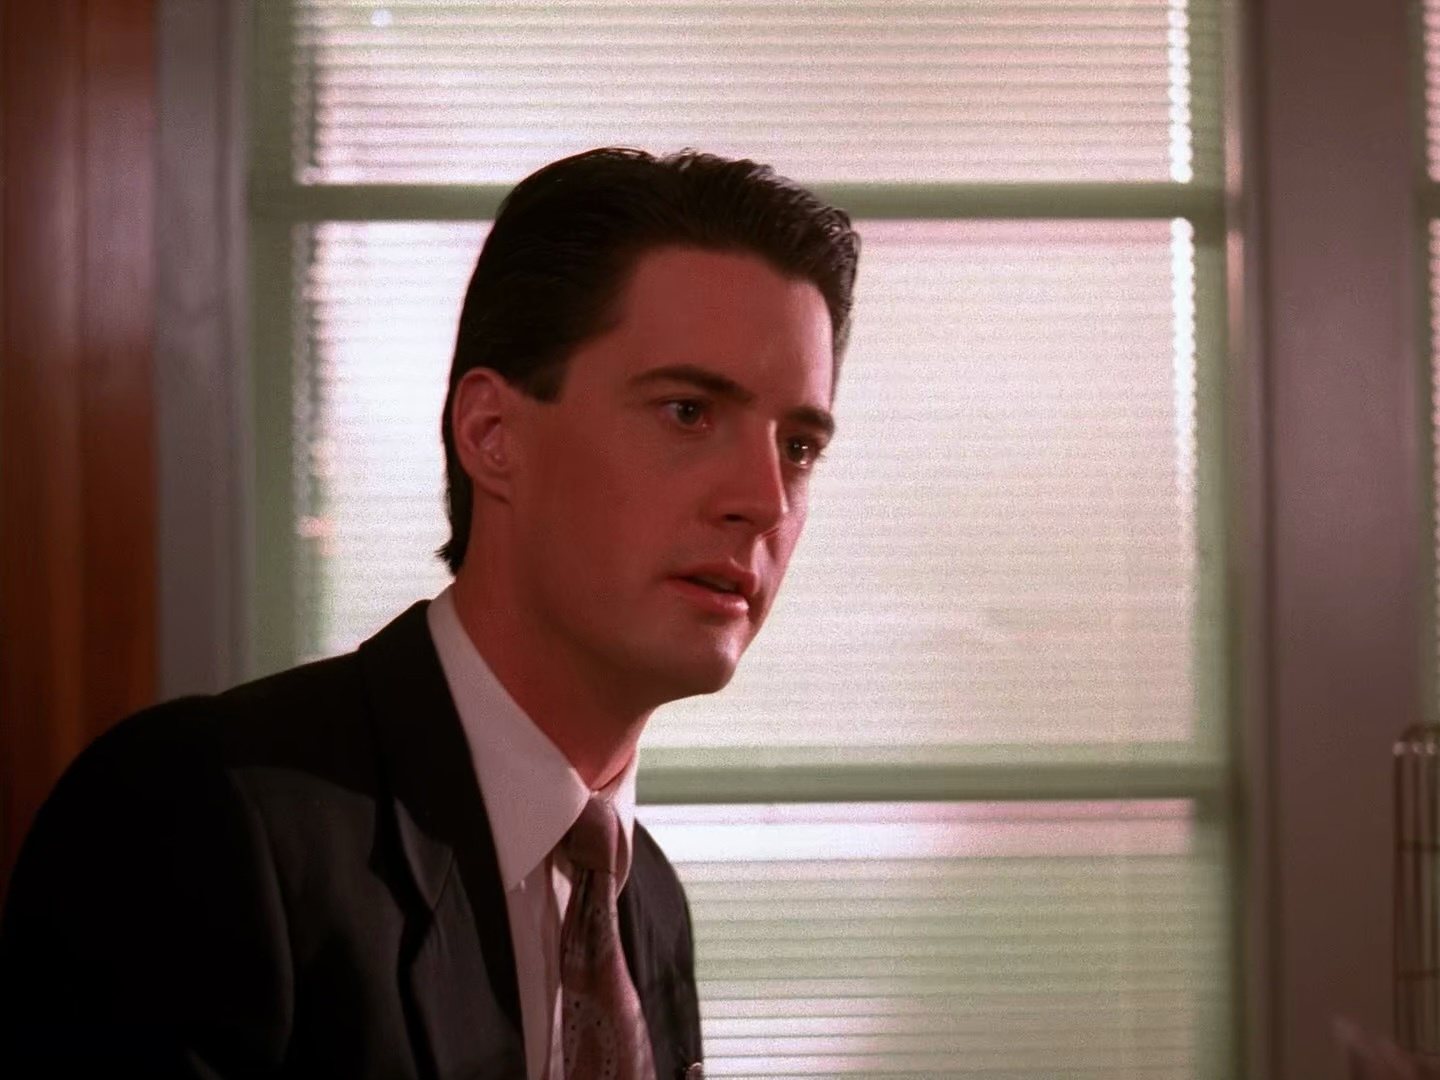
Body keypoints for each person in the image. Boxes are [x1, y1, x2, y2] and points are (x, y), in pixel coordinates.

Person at [0, 147, 860, 1079]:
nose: (764, 500)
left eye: (799, 446)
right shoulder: (199, 817)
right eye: (688, 411)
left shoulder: (647, 903)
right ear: (492, 435)